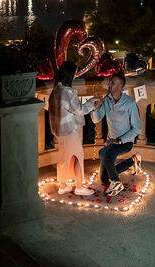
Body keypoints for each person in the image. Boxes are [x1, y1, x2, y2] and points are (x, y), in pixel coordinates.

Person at [48, 61, 98, 196]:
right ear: (70, 74)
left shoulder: (55, 91)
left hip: (60, 131)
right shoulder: (68, 92)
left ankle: (63, 185)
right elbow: (80, 110)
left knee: (64, 157)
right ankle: (79, 186)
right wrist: (92, 102)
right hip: (71, 130)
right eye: (75, 73)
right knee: (77, 155)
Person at [91, 72, 142, 197]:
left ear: (121, 87)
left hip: (125, 142)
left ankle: (116, 182)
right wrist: (96, 108)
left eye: (113, 83)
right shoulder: (107, 101)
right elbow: (96, 119)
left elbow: (136, 129)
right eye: (110, 82)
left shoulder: (129, 103)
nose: (109, 85)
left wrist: (119, 140)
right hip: (111, 142)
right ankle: (133, 160)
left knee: (103, 153)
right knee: (103, 179)